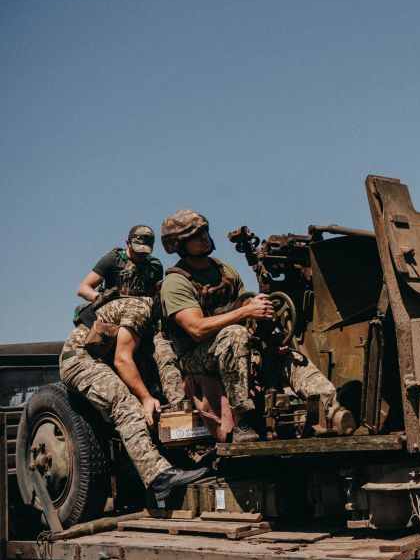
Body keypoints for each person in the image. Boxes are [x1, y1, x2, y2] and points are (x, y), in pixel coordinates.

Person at [158, 210, 346, 443]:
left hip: (234, 347)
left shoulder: (225, 271)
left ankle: (332, 410)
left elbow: (247, 308)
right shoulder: (176, 282)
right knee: (234, 334)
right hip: (195, 356)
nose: (204, 237)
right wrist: (245, 311)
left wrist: (267, 333)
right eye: (195, 236)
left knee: (287, 358)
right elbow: (196, 330)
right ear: (180, 245)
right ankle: (241, 420)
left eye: (204, 231)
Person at [59, 296, 209, 503]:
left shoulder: (158, 326)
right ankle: (158, 478)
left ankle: (179, 461)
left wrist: (179, 407)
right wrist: (146, 398)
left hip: (101, 361)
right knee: (126, 405)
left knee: (154, 403)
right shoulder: (140, 308)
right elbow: (122, 359)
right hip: (79, 360)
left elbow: (167, 364)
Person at [77, 225, 185, 407]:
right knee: (121, 358)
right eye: (137, 250)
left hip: (146, 323)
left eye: (145, 251)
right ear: (127, 243)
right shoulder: (113, 260)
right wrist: (100, 298)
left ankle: (179, 404)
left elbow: (159, 295)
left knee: (166, 355)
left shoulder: (155, 265)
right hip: (117, 322)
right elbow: (83, 288)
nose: (141, 255)